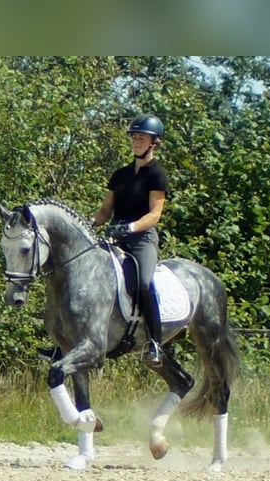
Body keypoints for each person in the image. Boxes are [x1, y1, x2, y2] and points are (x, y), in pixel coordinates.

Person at [37, 113, 169, 365]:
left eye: (142, 138)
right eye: (134, 137)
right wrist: (89, 224)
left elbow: (155, 215)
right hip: (116, 238)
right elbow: (105, 210)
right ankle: (63, 344)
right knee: (79, 279)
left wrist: (130, 227)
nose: (136, 141)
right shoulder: (120, 175)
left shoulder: (157, 174)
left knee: (143, 283)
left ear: (154, 142)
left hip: (142, 240)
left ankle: (155, 342)